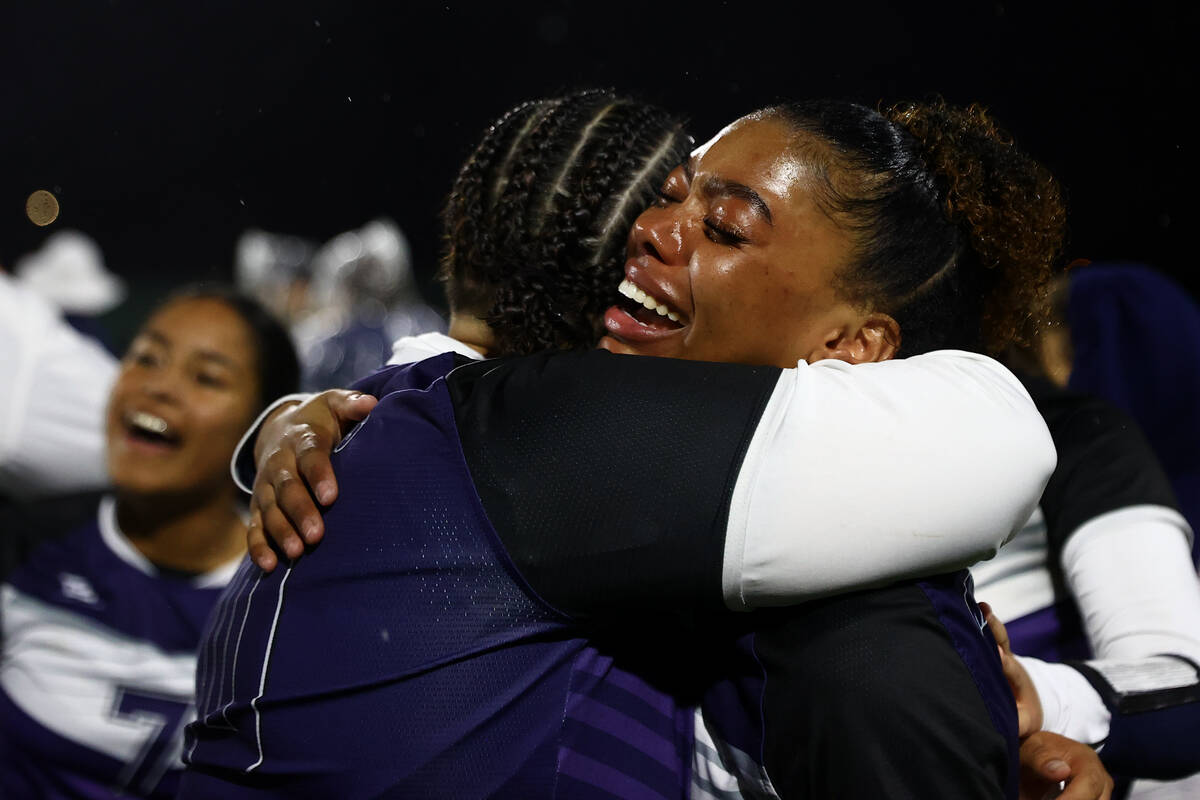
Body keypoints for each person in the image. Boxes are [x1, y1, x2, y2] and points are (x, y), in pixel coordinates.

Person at [185, 97, 1106, 798]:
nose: (651, 227)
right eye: (676, 193)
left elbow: (1002, 426)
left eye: (724, 226)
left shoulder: (865, 639)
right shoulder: (550, 433)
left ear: (852, 348)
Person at [0, 286, 300, 799]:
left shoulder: (288, 601)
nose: (158, 387)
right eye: (145, 357)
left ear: (264, 430)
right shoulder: (26, 546)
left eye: (206, 377)